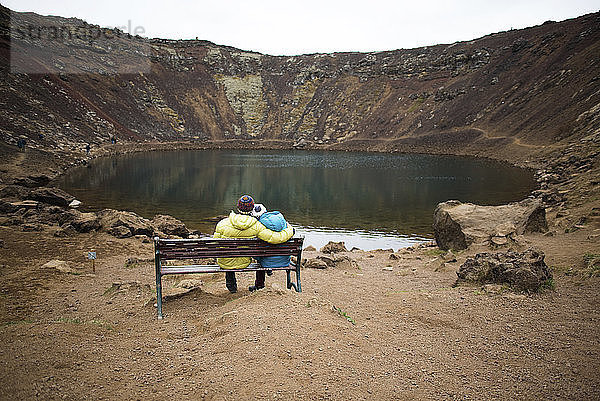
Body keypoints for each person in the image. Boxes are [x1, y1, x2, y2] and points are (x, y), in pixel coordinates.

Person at [213, 195, 294, 293]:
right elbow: (276, 238)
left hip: (225, 262)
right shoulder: (256, 225)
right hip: (244, 262)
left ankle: (231, 286)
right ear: (252, 208)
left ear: (238, 208)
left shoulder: (222, 223)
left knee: (228, 254)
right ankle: (259, 284)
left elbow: (215, 243)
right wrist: (290, 230)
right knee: (260, 254)